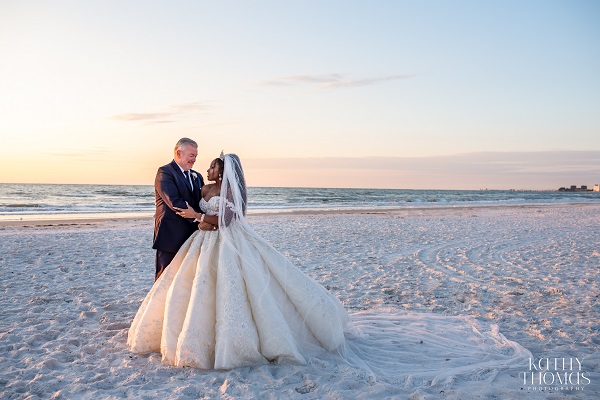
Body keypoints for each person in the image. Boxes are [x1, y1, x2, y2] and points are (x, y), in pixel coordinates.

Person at [128, 153, 349, 369]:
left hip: (228, 239)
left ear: (222, 171)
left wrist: (201, 218)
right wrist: (204, 222)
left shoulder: (232, 190)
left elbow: (226, 219)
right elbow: (199, 210)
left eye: (212, 167)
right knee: (192, 283)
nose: (207, 170)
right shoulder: (203, 187)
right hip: (201, 240)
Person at [152, 138, 218, 281]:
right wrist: (196, 217)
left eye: (195, 156)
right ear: (178, 153)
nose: (194, 159)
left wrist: (208, 219)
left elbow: (202, 202)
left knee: (186, 278)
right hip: (171, 234)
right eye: (191, 155)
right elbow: (174, 201)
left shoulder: (197, 176)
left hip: (193, 235)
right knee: (165, 276)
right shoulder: (165, 172)